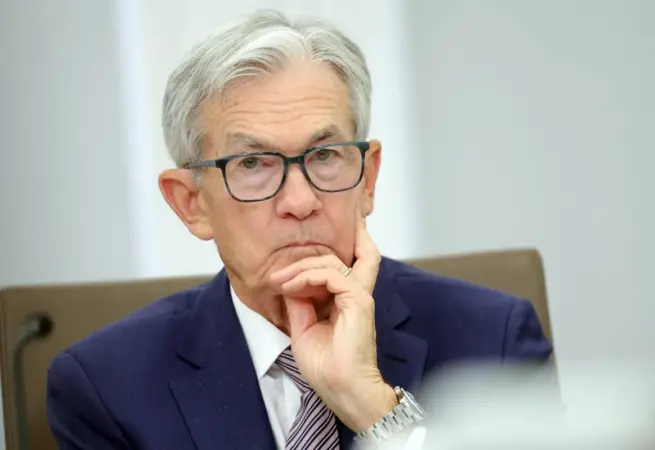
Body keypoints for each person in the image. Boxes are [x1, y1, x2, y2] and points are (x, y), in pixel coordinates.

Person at [46, 9, 553, 450]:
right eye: (252, 164)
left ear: (368, 179)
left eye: (325, 155)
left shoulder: (494, 342)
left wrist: (374, 408)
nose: (300, 201)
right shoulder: (106, 388)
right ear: (192, 203)